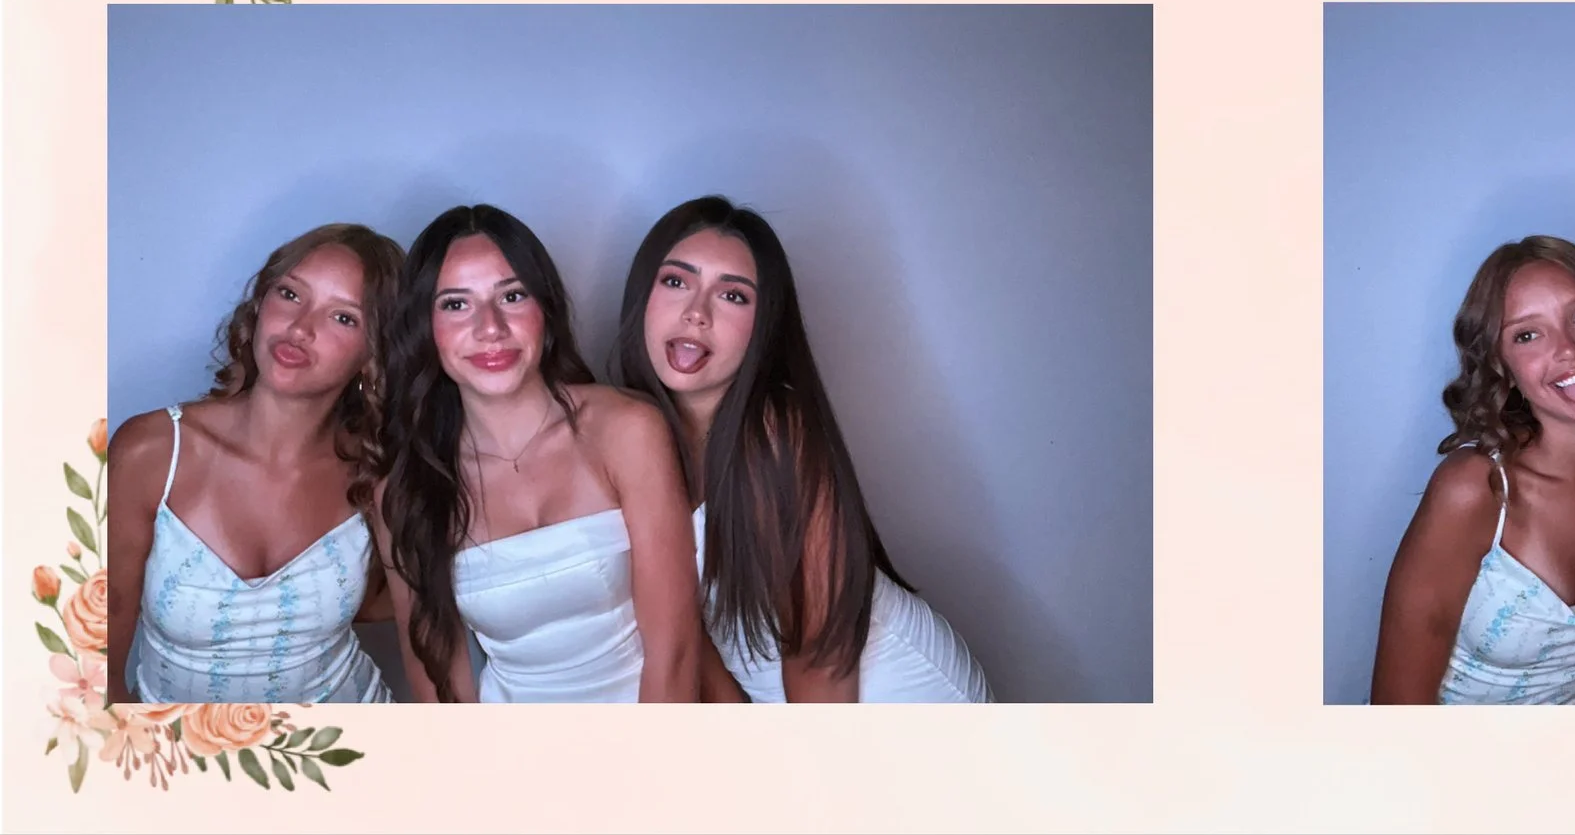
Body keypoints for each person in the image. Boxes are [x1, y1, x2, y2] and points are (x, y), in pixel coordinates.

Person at [614, 197, 990, 702]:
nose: (696, 313)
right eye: (677, 282)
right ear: (644, 294)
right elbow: (683, 633)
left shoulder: (774, 431)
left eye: (733, 296)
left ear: (763, 324)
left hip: (890, 699)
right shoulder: (633, 434)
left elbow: (820, 653)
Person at [375, 204, 699, 702]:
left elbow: (674, 650)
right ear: (424, 329)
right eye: (456, 305)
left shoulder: (626, 431)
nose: (490, 328)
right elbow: (440, 686)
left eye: (512, 295)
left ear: (545, 311)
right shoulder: (406, 484)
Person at [106, 224, 403, 703]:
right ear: (261, 305)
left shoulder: (375, 468)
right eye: (290, 294)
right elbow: (94, 666)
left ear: (373, 355)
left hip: (347, 748)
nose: (300, 327)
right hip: (179, 758)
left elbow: (415, 606)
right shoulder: (152, 451)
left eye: (344, 318)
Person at [1371, 237, 1575, 703]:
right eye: (1527, 334)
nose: (1569, 349)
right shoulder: (1475, 490)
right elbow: (1397, 704)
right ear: (1502, 365)